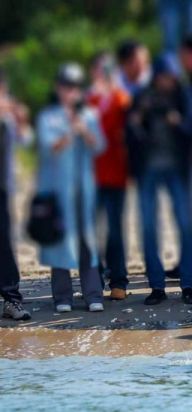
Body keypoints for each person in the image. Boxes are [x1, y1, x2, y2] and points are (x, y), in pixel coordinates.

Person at [126, 55, 192, 306]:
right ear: (156, 76)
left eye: (170, 77)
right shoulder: (143, 96)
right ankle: (157, 286)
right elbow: (130, 132)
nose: (166, 82)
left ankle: (188, 284)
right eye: (162, 77)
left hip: (177, 169)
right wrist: (137, 120)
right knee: (148, 227)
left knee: (185, 224)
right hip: (148, 169)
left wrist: (177, 122)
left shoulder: (184, 95)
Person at [37, 64, 107, 313]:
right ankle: (62, 297)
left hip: (85, 189)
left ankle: (93, 294)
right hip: (58, 190)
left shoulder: (89, 115)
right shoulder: (48, 117)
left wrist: (83, 129)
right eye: (67, 86)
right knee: (60, 240)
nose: (71, 92)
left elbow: (99, 146)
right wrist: (68, 130)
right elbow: (49, 148)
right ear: (58, 89)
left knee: (88, 241)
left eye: (75, 87)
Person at [87, 52, 132, 302]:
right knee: (93, 230)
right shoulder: (87, 99)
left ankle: (119, 280)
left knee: (115, 229)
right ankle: (95, 279)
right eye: (99, 70)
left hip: (116, 173)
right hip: (91, 175)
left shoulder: (121, 98)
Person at [0, 69, 33, 321]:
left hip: (3, 188)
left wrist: (20, 120)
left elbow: (26, 141)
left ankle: (12, 300)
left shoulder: (9, 118)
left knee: (4, 243)